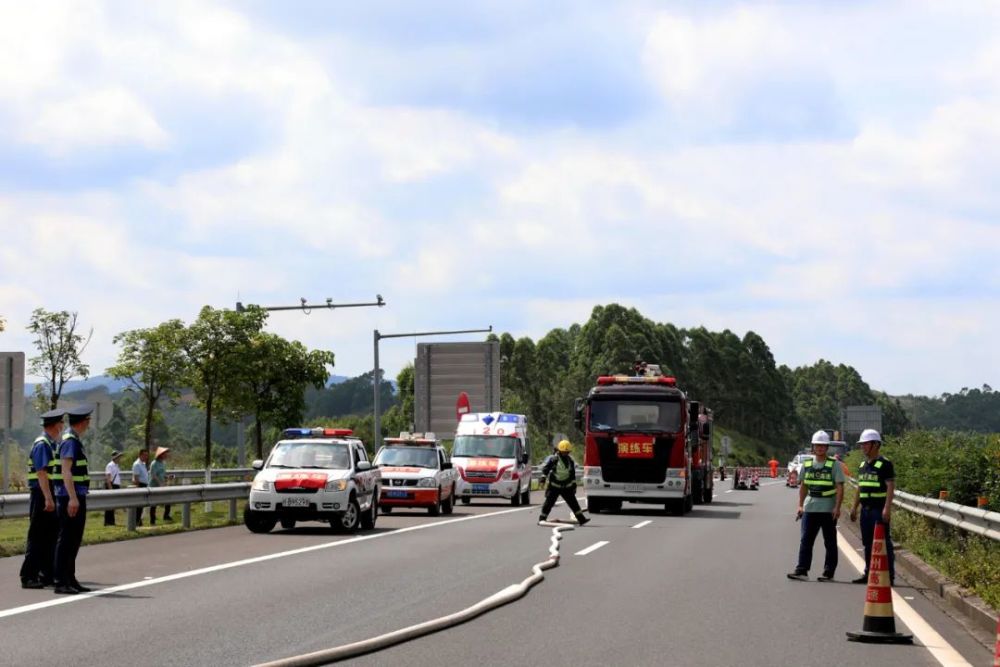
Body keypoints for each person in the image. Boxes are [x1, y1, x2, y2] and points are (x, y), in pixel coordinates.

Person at [787, 430, 845, 582]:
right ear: (813, 447)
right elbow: (803, 487)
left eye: (823, 445)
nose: (820, 448)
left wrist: (837, 508)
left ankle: (828, 572)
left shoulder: (834, 465)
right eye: (817, 445)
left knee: (830, 542)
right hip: (810, 507)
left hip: (827, 509)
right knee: (806, 540)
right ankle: (802, 569)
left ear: (827, 447)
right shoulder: (806, 464)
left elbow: (840, 487)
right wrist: (800, 506)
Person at [19, 409, 64, 589]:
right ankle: (28, 575)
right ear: (55, 425)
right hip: (42, 493)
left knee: (50, 535)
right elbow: (41, 473)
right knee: (37, 536)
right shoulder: (42, 444)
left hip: (47, 493)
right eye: (61, 423)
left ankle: (46, 574)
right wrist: (48, 498)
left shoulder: (51, 443)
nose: (63, 426)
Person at [53, 405, 93, 594]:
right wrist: (73, 498)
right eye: (88, 420)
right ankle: (61, 581)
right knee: (67, 540)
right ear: (83, 421)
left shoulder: (74, 440)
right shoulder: (70, 441)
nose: (89, 424)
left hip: (76, 495)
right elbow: (66, 471)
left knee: (73, 540)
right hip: (70, 497)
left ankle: (70, 578)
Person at [849, 429, 896, 585]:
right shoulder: (863, 465)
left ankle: (889, 576)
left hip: (878, 510)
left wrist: (887, 508)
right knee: (867, 543)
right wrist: (854, 507)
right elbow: (860, 488)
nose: (863, 447)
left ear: (876, 445)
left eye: (866, 444)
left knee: (883, 543)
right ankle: (869, 573)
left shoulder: (885, 464)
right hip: (866, 510)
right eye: (862, 444)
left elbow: (890, 486)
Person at [538, 440, 590, 525]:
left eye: (567, 452)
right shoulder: (554, 460)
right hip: (554, 487)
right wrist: (543, 478)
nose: (565, 454)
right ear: (560, 451)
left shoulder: (570, 461)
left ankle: (581, 519)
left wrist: (574, 485)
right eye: (564, 452)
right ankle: (542, 519)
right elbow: (546, 469)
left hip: (566, 487)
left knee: (573, 503)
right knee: (548, 504)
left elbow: (572, 474)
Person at [149, 446, 172, 524]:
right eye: (165, 454)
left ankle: (166, 516)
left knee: (168, 500)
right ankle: (152, 520)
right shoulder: (154, 463)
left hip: (162, 485)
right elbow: (153, 475)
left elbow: (162, 474)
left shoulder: (162, 463)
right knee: (153, 504)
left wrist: (167, 477)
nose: (166, 455)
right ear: (161, 454)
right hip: (154, 486)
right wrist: (160, 483)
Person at [103, 450, 124, 526]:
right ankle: (108, 522)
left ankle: (111, 521)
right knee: (109, 505)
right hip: (112, 486)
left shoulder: (116, 466)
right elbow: (108, 478)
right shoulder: (110, 465)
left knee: (113, 505)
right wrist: (110, 489)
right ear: (115, 458)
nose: (119, 459)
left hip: (115, 485)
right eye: (118, 457)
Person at [131, 449, 150, 525]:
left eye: (147, 455)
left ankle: (139, 521)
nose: (146, 457)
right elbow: (136, 478)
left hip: (144, 485)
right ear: (140, 455)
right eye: (144, 455)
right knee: (138, 506)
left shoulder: (143, 464)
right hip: (140, 485)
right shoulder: (137, 464)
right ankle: (136, 522)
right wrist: (138, 488)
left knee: (141, 506)